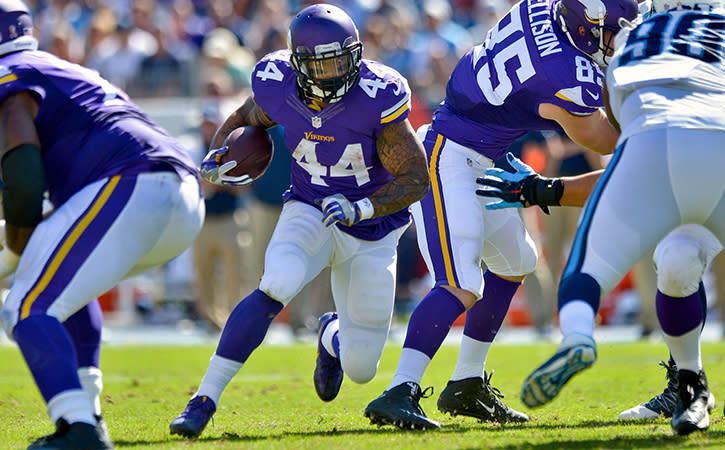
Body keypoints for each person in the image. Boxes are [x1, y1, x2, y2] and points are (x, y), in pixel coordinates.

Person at [363, 0, 638, 430]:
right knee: (461, 283)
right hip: (446, 155)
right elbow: (604, 140)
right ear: (586, 26)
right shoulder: (569, 74)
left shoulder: (539, 8)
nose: (616, 42)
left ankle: (467, 382)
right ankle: (400, 389)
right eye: (611, 33)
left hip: (483, 152)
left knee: (518, 262)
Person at [169, 3, 429, 439]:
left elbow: (416, 178)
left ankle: (331, 336)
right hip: (309, 209)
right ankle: (204, 399)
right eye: (323, 62)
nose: (335, 71)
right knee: (278, 283)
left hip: (373, 229)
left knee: (362, 368)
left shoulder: (377, 95)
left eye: (343, 59)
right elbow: (243, 119)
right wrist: (218, 155)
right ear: (298, 63)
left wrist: (360, 207)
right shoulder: (277, 87)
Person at [478, 0, 725, 434]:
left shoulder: (633, 40)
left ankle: (577, 334)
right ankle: (688, 385)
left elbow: (631, 159)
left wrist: (543, 189)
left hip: (655, 149)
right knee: (678, 260)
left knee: (610, 265)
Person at [0, 1, 205, 448]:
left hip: (130, 183)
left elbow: (22, 179)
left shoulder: (11, 74)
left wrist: (15, 247)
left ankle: (77, 427)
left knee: (25, 308)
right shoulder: (56, 67)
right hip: (178, 195)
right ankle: (87, 413)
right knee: (64, 295)